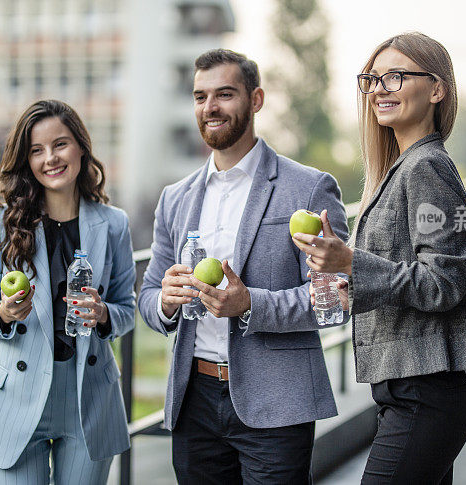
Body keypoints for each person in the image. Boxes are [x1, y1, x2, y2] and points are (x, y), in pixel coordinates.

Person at [293, 32, 466, 484]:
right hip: (408, 394)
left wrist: (351, 262)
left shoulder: (428, 167)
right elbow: (407, 276)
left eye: (396, 76)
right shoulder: (402, 168)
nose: (379, 89)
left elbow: (444, 281)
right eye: (373, 79)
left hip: (424, 395)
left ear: (437, 88)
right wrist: (348, 283)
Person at [137, 48, 348, 484]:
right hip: (193, 400)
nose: (210, 107)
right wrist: (167, 303)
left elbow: (335, 300)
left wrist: (249, 303)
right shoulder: (175, 198)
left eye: (224, 94)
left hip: (277, 404)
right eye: (200, 97)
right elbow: (148, 295)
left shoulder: (308, 188)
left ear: (256, 99)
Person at [0, 99, 135, 483]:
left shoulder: (114, 225)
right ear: (26, 161)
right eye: (36, 150)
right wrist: (3, 314)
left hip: (89, 396)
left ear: (80, 146)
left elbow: (127, 309)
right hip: (17, 395)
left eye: (60, 144)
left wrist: (105, 313)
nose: (50, 159)